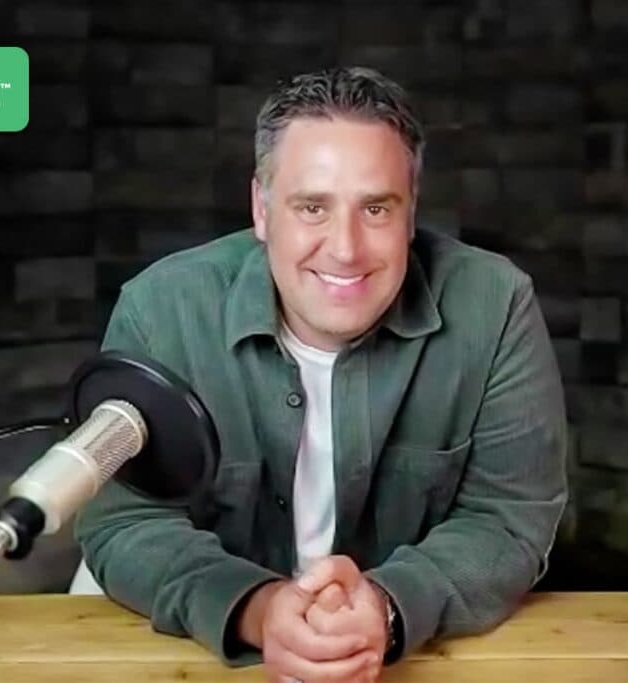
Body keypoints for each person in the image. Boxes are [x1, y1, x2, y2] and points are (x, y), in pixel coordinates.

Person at [75, 66, 567, 682]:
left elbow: (510, 518)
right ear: (261, 209)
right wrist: (257, 610)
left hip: (397, 640)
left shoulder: (496, 306)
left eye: (376, 208)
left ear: (411, 211)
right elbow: (125, 522)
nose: (345, 249)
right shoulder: (160, 309)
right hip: (191, 628)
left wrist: (386, 608)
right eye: (312, 207)